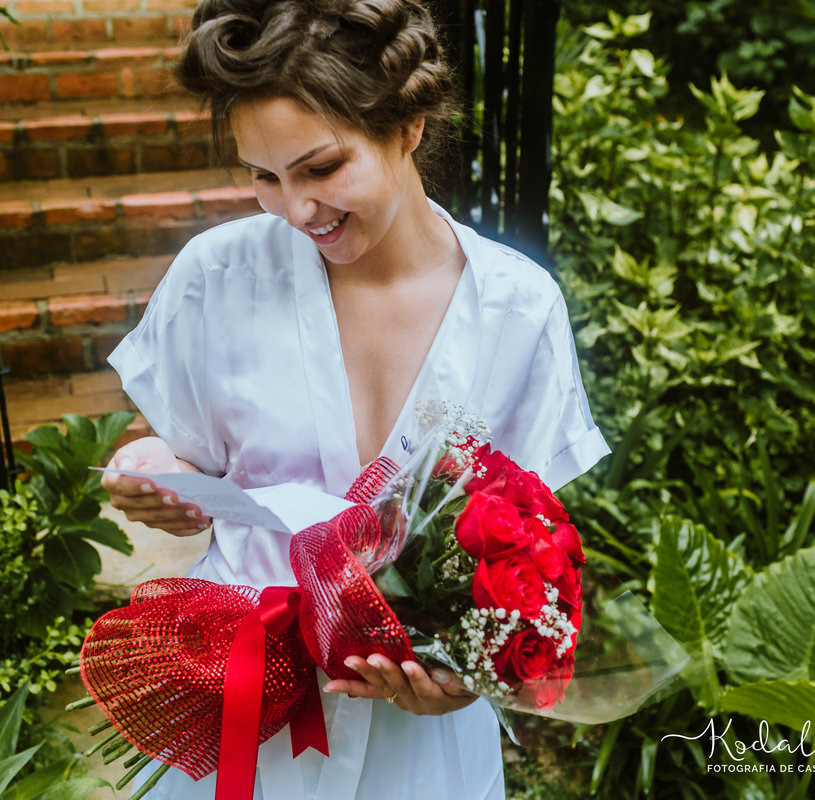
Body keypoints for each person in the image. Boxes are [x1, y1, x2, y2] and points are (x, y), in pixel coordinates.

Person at [100, 0, 610, 796]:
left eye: (322, 167)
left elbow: (530, 560)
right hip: (245, 704)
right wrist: (150, 471)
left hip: (419, 743)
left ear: (408, 126)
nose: (295, 210)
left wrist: (474, 674)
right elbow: (177, 446)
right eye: (263, 177)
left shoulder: (519, 310)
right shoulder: (217, 276)